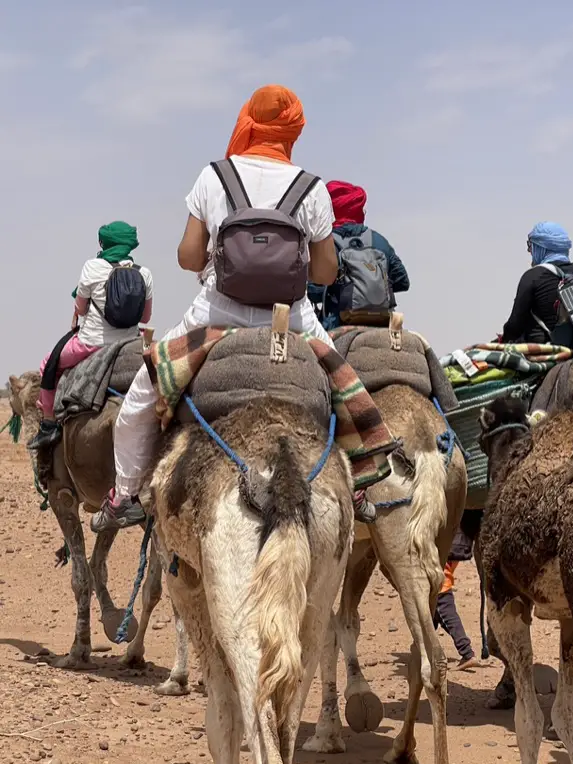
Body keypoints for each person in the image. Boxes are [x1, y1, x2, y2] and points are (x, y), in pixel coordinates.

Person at [90, 84, 376, 533]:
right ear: (295, 128)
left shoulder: (214, 176)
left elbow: (188, 258)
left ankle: (125, 494)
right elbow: (324, 274)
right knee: (348, 391)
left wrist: (218, 259)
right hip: (291, 320)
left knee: (142, 395)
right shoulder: (312, 188)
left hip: (216, 314)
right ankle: (359, 486)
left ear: (249, 121)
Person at [28, 222, 154, 451]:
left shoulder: (92, 267)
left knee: (47, 364)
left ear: (104, 243)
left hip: (91, 343)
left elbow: (81, 308)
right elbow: (145, 317)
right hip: (131, 342)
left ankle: (48, 424)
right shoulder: (144, 273)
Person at [307, 181, 410, 329]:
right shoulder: (379, 241)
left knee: (303, 340)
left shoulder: (323, 244)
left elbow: (314, 292)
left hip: (336, 323)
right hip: (382, 323)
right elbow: (403, 282)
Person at [501, 221, 573, 344]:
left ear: (541, 248)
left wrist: (502, 339)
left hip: (545, 348)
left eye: (531, 246)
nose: (529, 251)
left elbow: (514, 327)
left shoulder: (533, 276)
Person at [433, 529, 480, 671]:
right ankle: (421, 648)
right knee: (431, 615)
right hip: (446, 566)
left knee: (446, 614)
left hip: (439, 581)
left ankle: (467, 653)